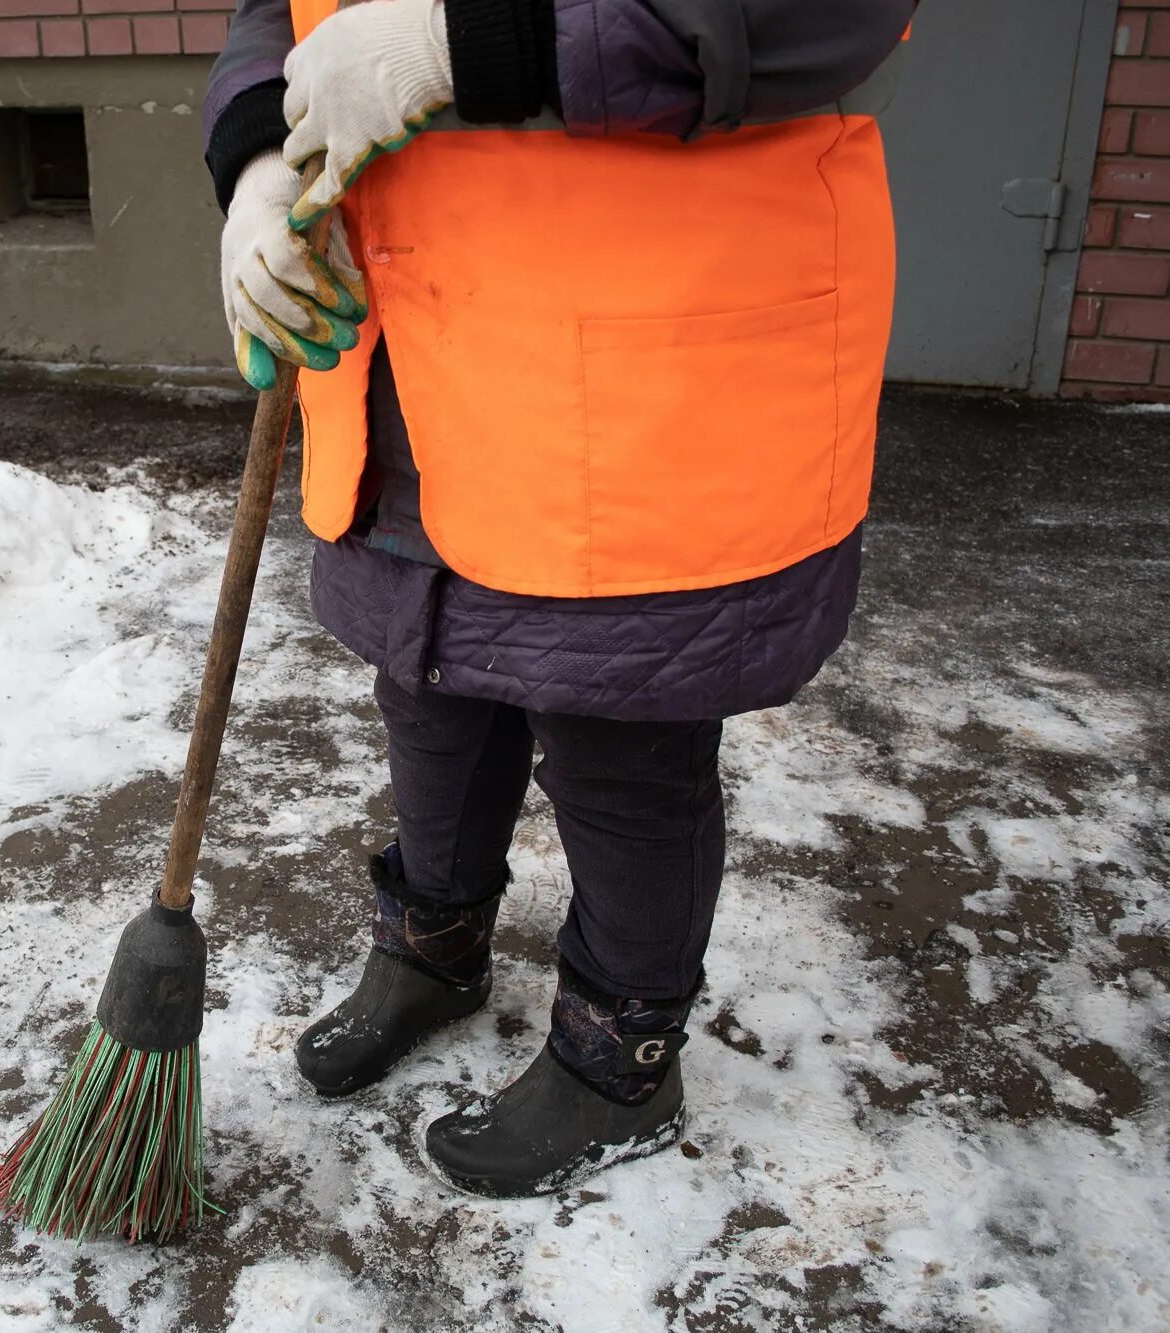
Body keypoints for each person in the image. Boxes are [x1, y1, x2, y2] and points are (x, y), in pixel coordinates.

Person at [203, 0, 917, 1197]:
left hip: (648, 359)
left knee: (616, 733)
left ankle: (614, 1062)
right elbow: (274, 16)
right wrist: (255, 161)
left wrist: (467, 42)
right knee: (427, 684)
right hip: (405, 341)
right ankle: (432, 949)